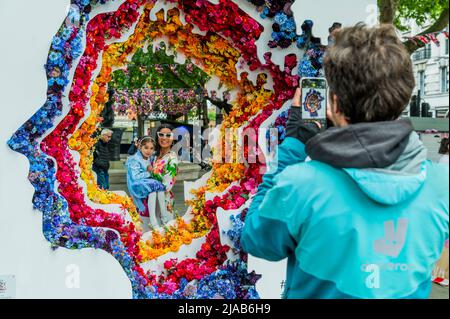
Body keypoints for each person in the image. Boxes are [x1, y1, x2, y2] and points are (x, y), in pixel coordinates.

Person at [241, 24, 449, 299]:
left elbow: (257, 240)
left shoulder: (301, 183)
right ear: (402, 97)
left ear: (334, 104)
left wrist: (294, 144)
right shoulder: (440, 184)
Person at [125, 136, 166, 228]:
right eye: (146, 148)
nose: (149, 151)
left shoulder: (150, 158)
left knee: (159, 187)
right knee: (153, 187)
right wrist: (149, 172)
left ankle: (163, 218)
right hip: (135, 183)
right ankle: (153, 220)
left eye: (151, 148)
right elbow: (135, 177)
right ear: (140, 147)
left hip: (146, 181)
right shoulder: (134, 159)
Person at [151, 124, 179, 225]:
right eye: (161, 134)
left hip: (164, 201)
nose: (164, 138)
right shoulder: (154, 156)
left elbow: (167, 185)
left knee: (163, 232)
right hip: (151, 200)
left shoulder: (172, 159)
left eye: (168, 135)